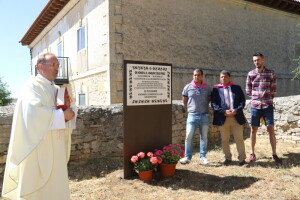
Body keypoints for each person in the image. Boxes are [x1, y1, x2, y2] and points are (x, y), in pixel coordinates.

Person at [2, 53, 76, 199]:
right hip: (38, 146)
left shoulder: (56, 88)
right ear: (40, 67)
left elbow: (63, 110)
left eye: (58, 65)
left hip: (56, 144)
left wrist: (71, 110)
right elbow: (33, 114)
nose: (57, 69)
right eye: (53, 65)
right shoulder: (32, 86)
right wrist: (62, 116)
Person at [246, 52, 282, 164]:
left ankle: (274, 154)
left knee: (271, 129)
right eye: (255, 60)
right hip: (255, 106)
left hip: (267, 105)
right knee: (253, 130)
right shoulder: (251, 74)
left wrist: (267, 98)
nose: (256, 62)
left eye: (258, 60)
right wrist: (257, 97)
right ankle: (252, 154)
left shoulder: (271, 73)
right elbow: (248, 90)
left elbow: (274, 89)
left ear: (263, 60)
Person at [211, 70, 247, 166]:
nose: (223, 78)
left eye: (225, 76)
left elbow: (242, 102)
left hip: (236, 117)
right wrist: (223, 112)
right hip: (223, 118)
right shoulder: (216, 89)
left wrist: (236, 110)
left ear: (229, 77)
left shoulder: (237, 88)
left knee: (239, 139)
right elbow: (214, 104)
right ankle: (227, 158)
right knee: (224, 139)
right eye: (222, 77)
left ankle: (242, 159)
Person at [180, 69, 211, 165]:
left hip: (204, 115)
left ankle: (203, 157)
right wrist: (190, 109)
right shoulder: (188, 87)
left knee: (204, 137)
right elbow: (184, 100)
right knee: (189, 136)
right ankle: (187, 157)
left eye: (198, 75)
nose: (196, 77)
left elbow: (209, 99)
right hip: (192, 115)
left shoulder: (207, 88)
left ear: (202, 76)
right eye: (194, 75)